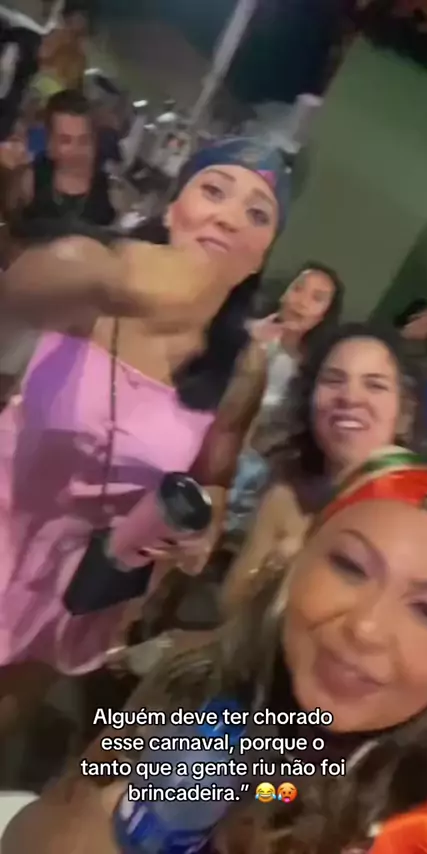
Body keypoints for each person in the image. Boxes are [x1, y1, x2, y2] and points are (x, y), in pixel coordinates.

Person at [6, 446, 427, 854]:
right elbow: (35, 826)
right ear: (296, 565)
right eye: (350, 566)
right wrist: (118, 813)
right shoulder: (199, 679)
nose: (367, 628)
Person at [0, 138, 289, 718]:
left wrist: (200, 527)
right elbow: (20, 296)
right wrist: (115, 281)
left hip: (81, 579)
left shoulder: (240, 364)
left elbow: (214, 475)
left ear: (259, 257)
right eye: (214, 191)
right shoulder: (94, 282)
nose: (229, 217)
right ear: (174, 209)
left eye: (257, 214)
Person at [222, 323, 423, 615]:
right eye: (333, 380)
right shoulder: (286, 498)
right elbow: (230, 607)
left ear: (405, 413)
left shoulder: (423, 522)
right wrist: (272, 575)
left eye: (375, 385)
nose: (350, 397)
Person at [225, 261, 344, 545]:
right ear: (284, 293)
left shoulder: (314, 372)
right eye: (298, 289)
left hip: (255, 473)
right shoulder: (245, 335)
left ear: (325, 315)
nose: (301, 302)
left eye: (316, 298)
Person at [0, 89, 116, 227]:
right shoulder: (27, 180)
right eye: (65, 141)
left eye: (84, 140)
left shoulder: (111, 191)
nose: (76, 150)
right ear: (50, 143)